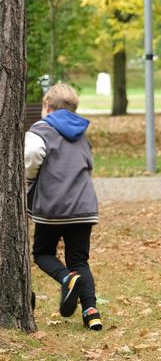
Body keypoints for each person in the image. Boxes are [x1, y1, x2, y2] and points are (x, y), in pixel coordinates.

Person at [25, 83, 102, 331]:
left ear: (47, 106)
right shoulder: (82, 134)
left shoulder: (40, 130)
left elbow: (32, 157)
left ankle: (67, 279)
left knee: (43, 253)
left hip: (53, 205)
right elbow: (88, 164)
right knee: (79, 259)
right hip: (84, 205)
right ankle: (92, 313)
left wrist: (28, 181)